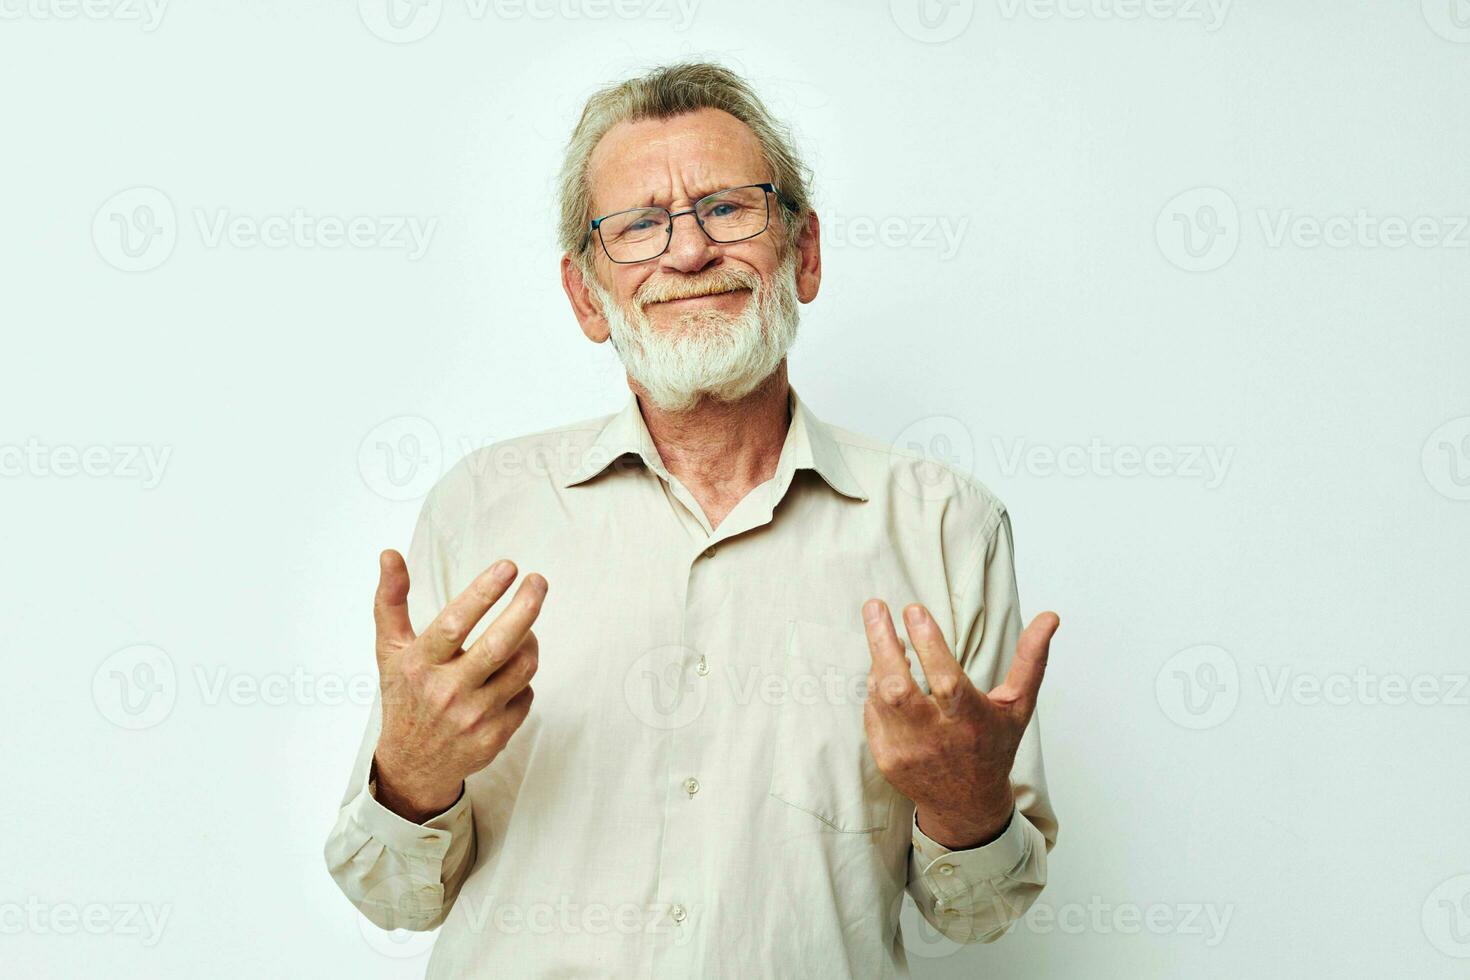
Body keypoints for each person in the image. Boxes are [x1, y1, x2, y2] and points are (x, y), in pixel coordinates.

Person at [324, 60, 1060, 979]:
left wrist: (966, 805)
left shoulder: (948, 528)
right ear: (587, 295)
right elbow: (390, 897)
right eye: (637, 226)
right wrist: (410, 777)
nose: (686, 254)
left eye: (727, 209)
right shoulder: (480, 511)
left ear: (805, 253)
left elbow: (983, 914)